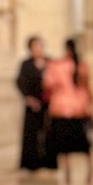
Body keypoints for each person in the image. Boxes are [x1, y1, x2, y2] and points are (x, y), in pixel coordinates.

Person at [42, 38, 93, 184]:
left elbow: (48, 84)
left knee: (64, 144)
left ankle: (67, 172)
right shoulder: (82, 66)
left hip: (62, 108)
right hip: (79, 108)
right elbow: (88, 88)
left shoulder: (57, 66)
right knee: (83, 143)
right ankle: (90, 168)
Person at [16, 35, 57, 172]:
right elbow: (20, 82)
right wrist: (28, 98)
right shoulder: (26, 64)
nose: (38, 49)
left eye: (40, 46)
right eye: (35, 46)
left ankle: (49, 162)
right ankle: (30, 163)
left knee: (49, 132)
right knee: (31, 133)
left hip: (48, 103)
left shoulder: (50, 62)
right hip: (32, 103)